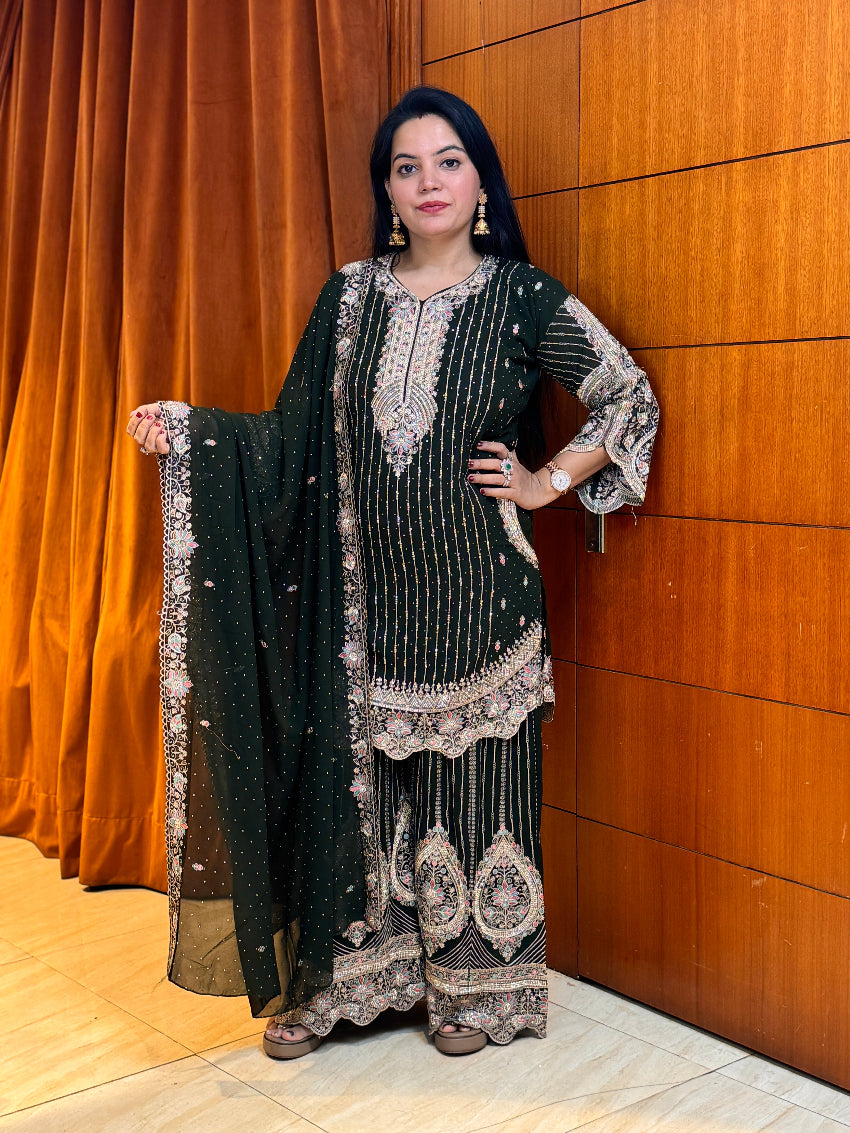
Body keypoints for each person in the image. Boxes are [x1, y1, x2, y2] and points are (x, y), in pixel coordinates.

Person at [127, 86, 658, 1058]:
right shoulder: (348, 299)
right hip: (361, 605)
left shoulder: (520, 295)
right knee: (357, 787)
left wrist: (545, 482)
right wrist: (194, 434)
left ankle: (473, 988)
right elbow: (290, 437)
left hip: (479, 599)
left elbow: (625, 394)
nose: (428, 182)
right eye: (406, 167)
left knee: (474, 788)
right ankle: (339, 986)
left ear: (479, 178)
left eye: (448, 161)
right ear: (387, 188)